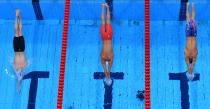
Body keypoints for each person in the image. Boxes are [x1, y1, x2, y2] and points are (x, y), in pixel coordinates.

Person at [13, 9, 27, 93]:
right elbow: (18, 82)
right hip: (18, 50)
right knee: (17, 32)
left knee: (19, 32)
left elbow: (19, 82)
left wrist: (19, 88)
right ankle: (17, 16)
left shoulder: (21, 67)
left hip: (20, 50)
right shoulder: (19, 68)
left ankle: (18, 16)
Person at [100, 3, 113, 85]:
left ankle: (106, 7)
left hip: (109, 37)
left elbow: (108, 69)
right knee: (103, 22)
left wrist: (108, 75)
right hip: (104, 38)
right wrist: (107, 76)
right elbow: (106, 70)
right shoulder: (102, 56)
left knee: (107, 21)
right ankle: (103, 7)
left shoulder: (111, 56)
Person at [184, 2, 197, 80]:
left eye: (189, 71)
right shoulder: (195, 54)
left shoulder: (186, 54)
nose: (190, 70)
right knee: (193, 18)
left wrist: (189, 66)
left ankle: (187, 5)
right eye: (191, 72)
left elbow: (187, 61)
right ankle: (192, 5)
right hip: (194, 35)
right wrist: (191, 66)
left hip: (188, 35)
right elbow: (193, 62)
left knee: (188, 19)